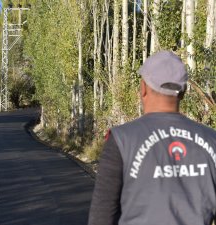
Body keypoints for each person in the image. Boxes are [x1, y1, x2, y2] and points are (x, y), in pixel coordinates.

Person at [88, 50, 216, 225]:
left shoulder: (121, 140)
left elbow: (101, 216)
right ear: (183, 92)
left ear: (143, 88)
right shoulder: (211, 140)